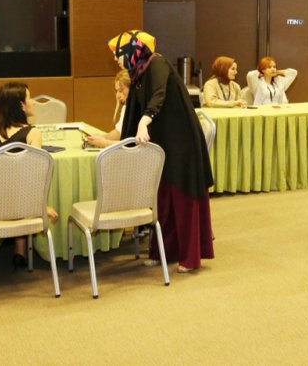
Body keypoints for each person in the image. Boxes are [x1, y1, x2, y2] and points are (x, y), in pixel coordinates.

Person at [109, 30, 214, 272]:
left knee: (183, 200)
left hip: (182, 141)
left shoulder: (157, 63)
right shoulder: (138, 72)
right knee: (164, 201)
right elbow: (134, 110)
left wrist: (144, 121)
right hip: (163, 142)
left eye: (117, 54)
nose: (115, 59)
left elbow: (159, 95)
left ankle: (190, 257)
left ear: (131, 52)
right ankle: (163, 252)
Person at [0, 81, 57, 269]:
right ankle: (20, 250)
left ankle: (20, 250)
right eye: (29, 98)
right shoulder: (32, 133)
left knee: (10, 188)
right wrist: (40, 205)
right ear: (21, 105)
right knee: (20, 191)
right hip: (21, 203)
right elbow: (35, 173)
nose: (33, 102)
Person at [87, 70, 131, 148]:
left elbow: (130, 145)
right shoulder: (126, 107)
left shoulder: (139, 110)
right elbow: (119, 132)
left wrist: (104, 143)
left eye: (121, 91)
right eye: (117, 91)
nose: (118, 96)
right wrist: (102, 137)